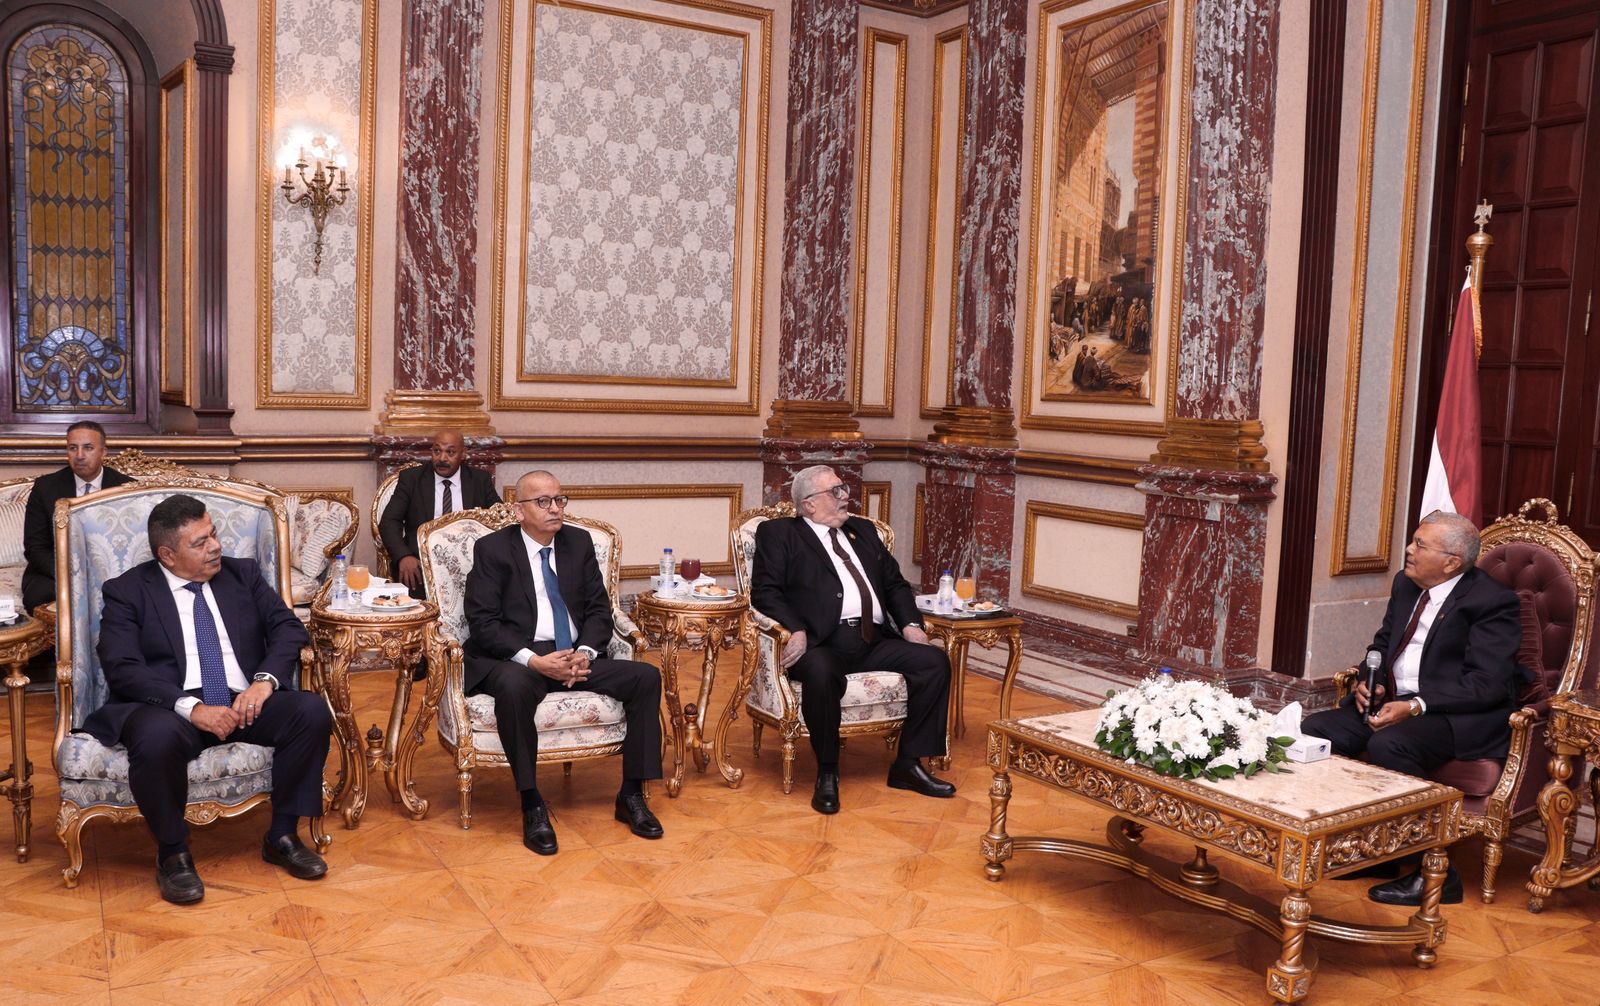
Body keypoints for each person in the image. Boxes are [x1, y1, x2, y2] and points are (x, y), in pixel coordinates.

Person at [87, 495, 332, 904]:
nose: (215, 546)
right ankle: (173, 854)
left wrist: (264, 682)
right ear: (167, 554)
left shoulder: (242, 574)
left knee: (309, 711)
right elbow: (122, 666)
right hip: (172, 706)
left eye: (213, 534)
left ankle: (282, 836)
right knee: (155, 737)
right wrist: (193, 709)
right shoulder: (128, 591)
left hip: (243, 699)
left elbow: (288, 628)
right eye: (199, 543)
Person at [1301, 510, 1521, 907]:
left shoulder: (1492, 602)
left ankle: (1437, 872)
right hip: (1393, 699)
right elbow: (1383, 643)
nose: (1408, 549)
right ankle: (1377, 851)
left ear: (1451, 562)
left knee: (1390, 745)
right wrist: (1371, 679)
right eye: (1414, 540)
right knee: (1318, 730)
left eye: (1420, 544)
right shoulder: (1406, 583)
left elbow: (1486, 684)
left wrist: (1416, 706)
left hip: (1452, 715)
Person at [462, 470, 664, 855]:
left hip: (573, 654)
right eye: (543, 502)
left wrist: (584, 653)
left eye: (559, 499)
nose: (555, 508)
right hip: (519, 658)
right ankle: (532, 803)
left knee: (645, 677)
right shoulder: (493, 549)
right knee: (512, 688)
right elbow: (483, 623)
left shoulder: (577, 542)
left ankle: (631, 795)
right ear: (518, 510)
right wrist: (535, 661)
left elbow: (599, 610)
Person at [750, 465, 955, 815]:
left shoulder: (863, 530)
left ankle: (908, 764)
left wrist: (910, 624)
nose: (846, 496)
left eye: (843, 488)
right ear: (809, 504)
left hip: (873, 639)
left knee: (933, 662)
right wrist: (795, 629)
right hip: (821, 642)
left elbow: (895, 584)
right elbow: (766, 592)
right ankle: (828, 772)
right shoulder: (780, 533)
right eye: (835, 491)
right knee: (821, 673)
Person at [22, 421, 133, 612]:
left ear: (103, 452)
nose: (80, 455)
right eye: (73, 448)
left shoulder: (126, 488)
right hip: (56, 570)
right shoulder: (45, 488)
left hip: (113, 570)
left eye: (88, 448)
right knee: (38, 596)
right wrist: (70, 574)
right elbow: (35, 547)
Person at [378, 429, 497, 599]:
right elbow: (389, 521)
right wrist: (404, 556)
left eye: (450, 452)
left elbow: (498, 519)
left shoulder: (480, 481)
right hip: (420, 564)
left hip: (470, 563)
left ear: (463, 454)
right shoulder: (412, 479)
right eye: (437, 451)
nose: (442, 458)